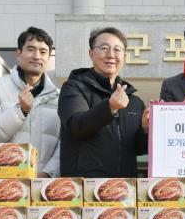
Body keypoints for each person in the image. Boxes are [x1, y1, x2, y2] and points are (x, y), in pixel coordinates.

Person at [58, 27, 149, 177]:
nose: (111, 55)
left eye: (117, 50)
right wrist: (110, 107)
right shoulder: (74, 88)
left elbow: (138, 149)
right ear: (91, 54)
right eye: (104, 48)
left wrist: (145, 129)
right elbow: (76, 126)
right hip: (84, 186)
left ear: (124, 56)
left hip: (124, 187)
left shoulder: (134, 101)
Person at [0, 27, 60, 177]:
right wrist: (20, 111)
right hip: (4, 181)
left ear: (48, 58)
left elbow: (64, 144)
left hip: (44, 184)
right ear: (18, 54)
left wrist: (48, 173)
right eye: (31, 49)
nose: (37, 56)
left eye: (43, 52)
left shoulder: (59, 97)